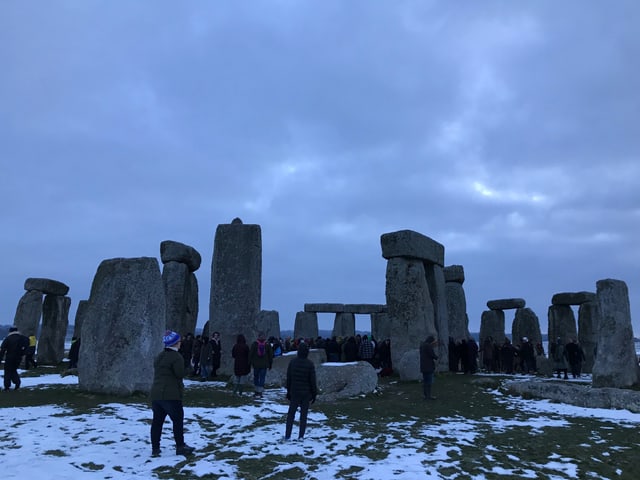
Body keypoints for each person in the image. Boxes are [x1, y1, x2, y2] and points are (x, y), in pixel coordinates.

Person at [149, 330, 195, 457]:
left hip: (156, 393)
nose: (180, 343)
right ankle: (180, 446)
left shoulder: (160, 356)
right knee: (177, 421)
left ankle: (155, 448)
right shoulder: (176, 357)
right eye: (179, 341)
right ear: (175, 343)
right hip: (171, 394)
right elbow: (179, 374)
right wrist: (190, 368)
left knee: (157, 422)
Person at [284, 342, 318, 441]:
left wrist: (288, 391)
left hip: (294, 391)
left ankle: (287, 435)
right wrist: (314, 394)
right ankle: (301, 436)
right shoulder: (310, 364)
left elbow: (289, 378)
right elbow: (312, 380)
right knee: (303, 415)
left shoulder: (292, 362)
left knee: (291, 415)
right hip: (306, 393)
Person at [1, 327, 29, 391]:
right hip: (18, 358)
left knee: (7, 371)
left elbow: (2, 349)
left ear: (10, 332)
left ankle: (7, 386)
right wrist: (22, 353)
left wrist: (0, 358)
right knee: (13, 370)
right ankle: (17, 383)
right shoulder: (22, 338)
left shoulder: (8, 339)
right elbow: (27, 346)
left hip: (9, 357)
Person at [249, 332, 273, 397]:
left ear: (258, 336)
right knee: (262, 378)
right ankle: (260, 392)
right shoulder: (267, 344)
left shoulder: (254, 344)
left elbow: (250, 354)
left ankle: (256, 391)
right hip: (264, 365)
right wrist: (270, 364)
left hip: (256, 364)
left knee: (256, 378)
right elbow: (270, 355)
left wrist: (250, 363)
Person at [419, 335, 439, 400]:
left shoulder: (422, 346)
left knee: (425, 382)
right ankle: (428, 396)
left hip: (423, 367)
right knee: (429, 382)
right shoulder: (428, 346)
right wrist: (437, 357)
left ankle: (426, 395)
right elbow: (432, 355)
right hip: (428, 367)